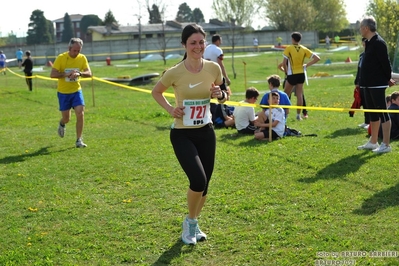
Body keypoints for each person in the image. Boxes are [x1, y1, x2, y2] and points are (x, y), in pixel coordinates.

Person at [151, 24, 226, 245]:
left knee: (206, 184)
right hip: (182, 134)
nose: (198, 46)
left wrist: (219, 93)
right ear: (184, 45)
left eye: (201, 42)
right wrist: (170, 109)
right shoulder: (175, 72)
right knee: (198, 179)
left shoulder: (213, 68)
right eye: (193, 42)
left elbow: (223, 95)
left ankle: (192, 222)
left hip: (206, 132)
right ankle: (190, 224)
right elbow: (156, 92)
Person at [357, 16, 395, 153]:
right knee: (373, 114)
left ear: (366, 28)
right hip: (366, 84)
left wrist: (387, 78)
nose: (360, 30)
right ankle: (373, 142)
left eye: (361, 27)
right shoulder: (369, 43)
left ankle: (386, 144)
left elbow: (386, 64)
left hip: (376, 84)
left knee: (383, 114)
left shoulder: (379, 43)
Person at [50, 37, 92, 148]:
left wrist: (79, 74)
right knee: (66, 118)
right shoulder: (61, 58)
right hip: (63, 93)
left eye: (79, 50)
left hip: (76, 91)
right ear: (69, 48)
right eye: (74, 50)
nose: (77, 53)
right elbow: (53, 74)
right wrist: (66, 74)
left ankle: (79, 140)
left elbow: (89, 73)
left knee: (80, 112)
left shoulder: (82, 58)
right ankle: (62, 123)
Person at [282, 32, 320, 121]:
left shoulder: (289, 48)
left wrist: (287, 73)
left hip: (292, 74)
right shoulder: (303, 48)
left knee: (285, 94)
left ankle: (284, 114)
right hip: (301, 74)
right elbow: (317, 58)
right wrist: (306, 65)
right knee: (299, 95)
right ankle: (298, 115)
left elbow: (284, 63)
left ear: (292, 39)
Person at [351, 38, 370, 129]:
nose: (364, 45)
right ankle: (366, 121)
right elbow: (359, 69)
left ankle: (371, 122)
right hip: (361, 82)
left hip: (369, 83)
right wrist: (357, 81)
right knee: (364, 102)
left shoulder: (371, 55)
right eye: (363, 43)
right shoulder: (362, 55)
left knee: (369, 103)